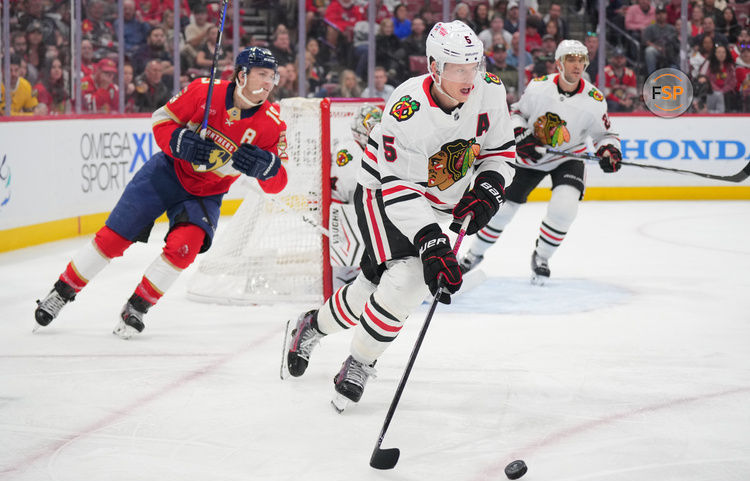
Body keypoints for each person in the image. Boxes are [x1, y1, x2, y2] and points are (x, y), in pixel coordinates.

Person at [281, 21, 515, 410]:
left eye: (474, 66)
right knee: (409, 277)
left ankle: (312, 325)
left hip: (439, 195)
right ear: (434, 66)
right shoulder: (407, 110)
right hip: (383, 194)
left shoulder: (489, 89)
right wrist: (433, 242)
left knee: (373, 286)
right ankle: (358, 362)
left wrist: (488, 190)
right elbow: (400, 189)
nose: (469, 77)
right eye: (459, 68)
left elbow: (500, 152)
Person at [34, 47, 289, 338]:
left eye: (273, 76)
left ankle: (137, 307)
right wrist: (179, 140)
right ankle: (61, 292)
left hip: (205, 194)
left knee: (184, 247)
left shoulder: (273, 124)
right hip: (165, 173)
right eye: (262, 75)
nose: (269, 82)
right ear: (242, 75)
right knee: (112, 239)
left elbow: (280, 182)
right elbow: (161, 120)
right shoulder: (203, 91)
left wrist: (267, 168)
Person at [459, 39, 621, 284]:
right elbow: (517, 114)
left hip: (568, 158)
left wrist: (609, 150)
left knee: (565, 208)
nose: (577, 65)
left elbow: (605, 135)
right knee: (501, 211)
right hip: (530, 157)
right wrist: (520, 135)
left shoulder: (594, 99)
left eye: (581, 60)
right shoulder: (539, 87)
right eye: (571, 59)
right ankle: (473, 255)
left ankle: (542, 257)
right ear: (559, 63)